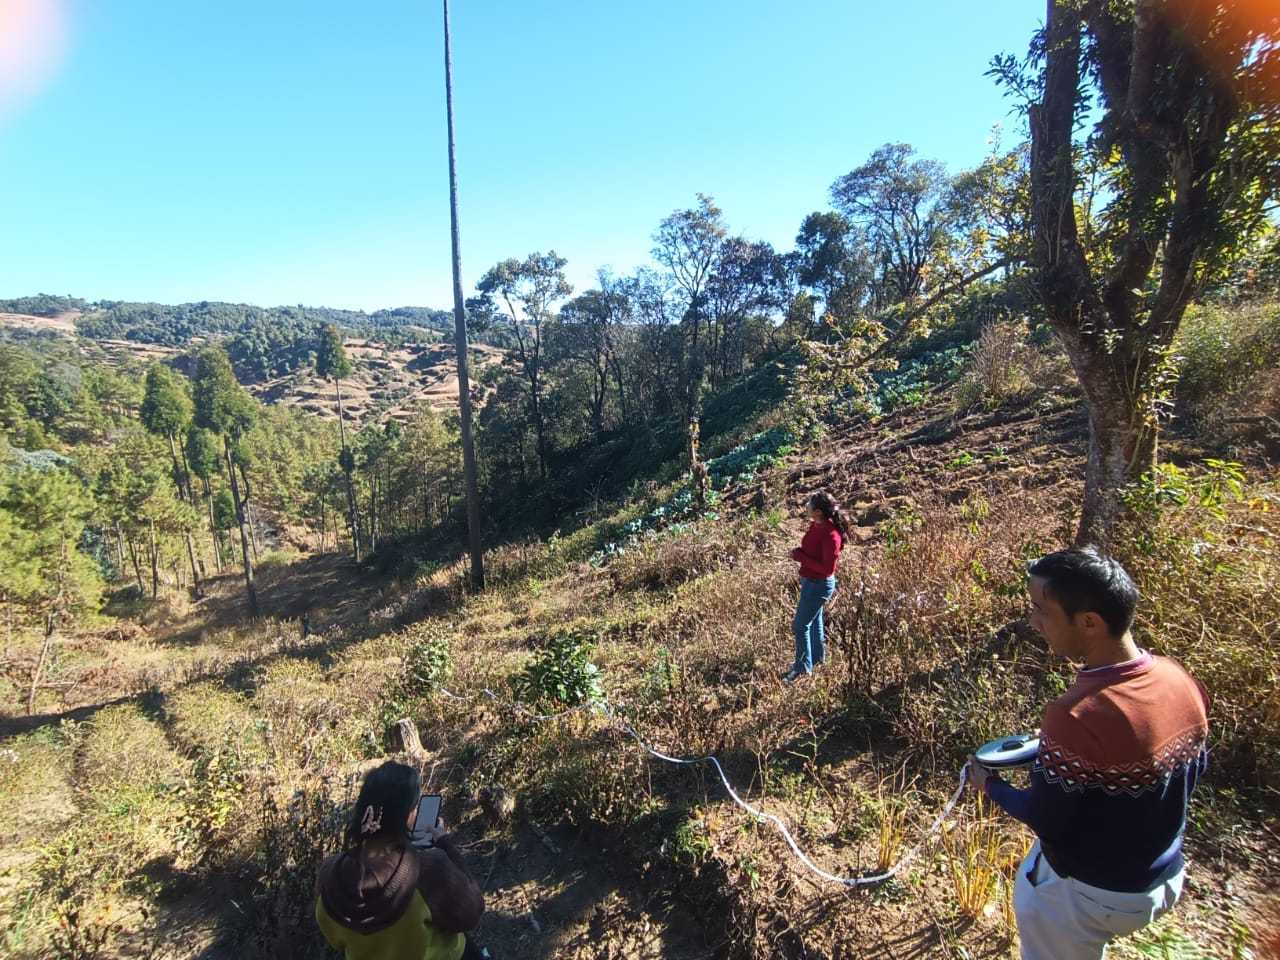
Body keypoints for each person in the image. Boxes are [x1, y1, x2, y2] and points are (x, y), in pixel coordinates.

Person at [968, 548, 1209, 960]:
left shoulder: (1075, 714)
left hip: (1090, 893)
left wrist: (988, 784)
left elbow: (1048, 819)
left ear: (1089, 622)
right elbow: (1183, 770)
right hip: (1162, 877)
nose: (1033, 621)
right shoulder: (1178, 678)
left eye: (1041, 610)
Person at [316, 761, 489, 960]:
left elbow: (335, 940)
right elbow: (471, 913)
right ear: (408, 815)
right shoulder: (428, 869)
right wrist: (445, 844)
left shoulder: (328, 876)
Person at [783, 491, 849, 683]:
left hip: (819, 584)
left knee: (800, 625)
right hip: (810, 581)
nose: (806, 506)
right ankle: (817, 660)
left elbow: (828, 569)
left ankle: (802, 669)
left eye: (810, 504)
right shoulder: (817, 525)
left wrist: (800, 556)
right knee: (814, 622)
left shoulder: (831, 535)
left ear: (818, 512)